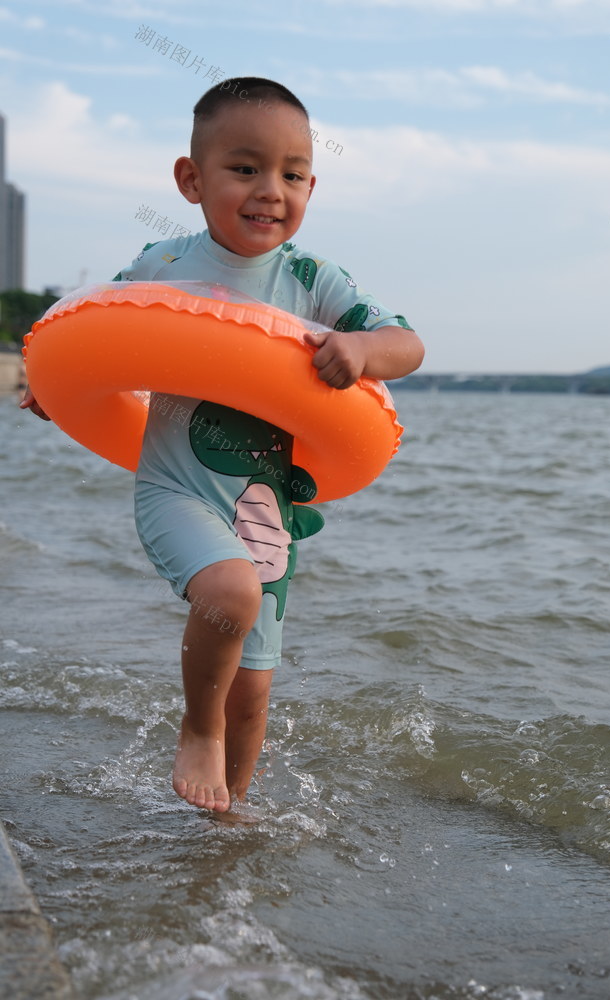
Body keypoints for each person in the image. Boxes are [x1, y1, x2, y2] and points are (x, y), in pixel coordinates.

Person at [21, 77, 425, 815]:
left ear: (310, 186)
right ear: (191, 180)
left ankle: (225, 830)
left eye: (292, 174)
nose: (271, 190)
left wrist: (365, 349)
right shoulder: (162, 266)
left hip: (266, 517)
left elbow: (408, 344)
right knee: (228, 595)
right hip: (176, 488)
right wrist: (56, 387)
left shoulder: (313, 281)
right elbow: (89, 333)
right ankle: (196, 728)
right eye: (245, 168)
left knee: (254, 691)